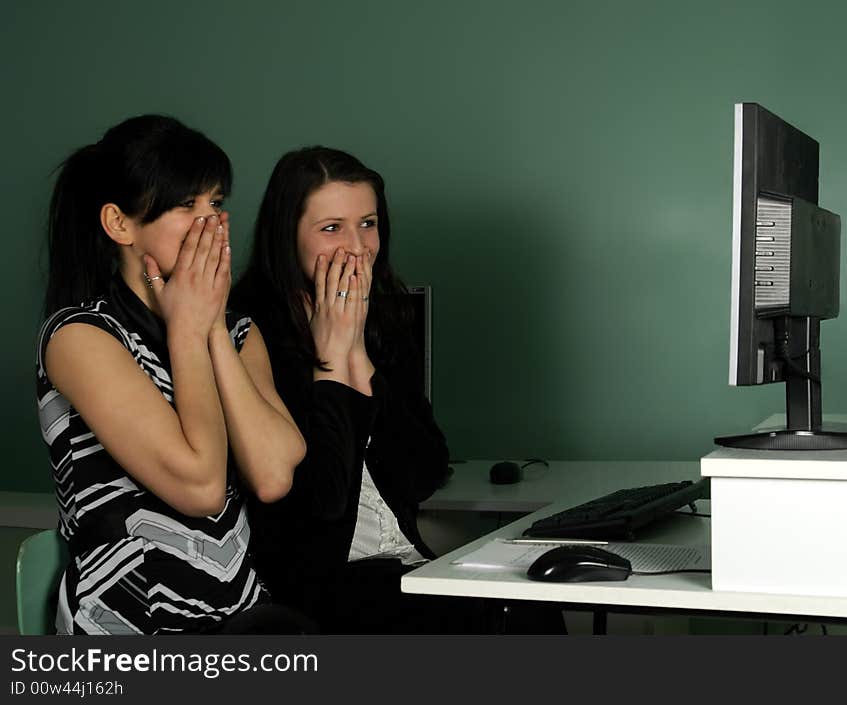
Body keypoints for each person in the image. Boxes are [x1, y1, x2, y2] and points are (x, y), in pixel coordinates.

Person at [232, 147, 564, 633]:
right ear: (287, 237)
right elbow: (318, 505)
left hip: (402, 561)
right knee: (499, 621)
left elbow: (426, 468)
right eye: (331, 228)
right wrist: (330, 356)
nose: (356, 246)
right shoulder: (247, 333)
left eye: (367, 223)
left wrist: (358, 352)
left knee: (530, 605)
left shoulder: (385, 316)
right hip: (313, 578)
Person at [36, 115, 310, 635]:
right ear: (120, 225)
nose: (211, 223)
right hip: (127, 621)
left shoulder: (237, 332)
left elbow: (274, 474)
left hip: (238, 613)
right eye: (187, 205)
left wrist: (207, 329)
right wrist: (188, 330)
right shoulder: (80, 337)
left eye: (216, 203)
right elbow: (201, 487)